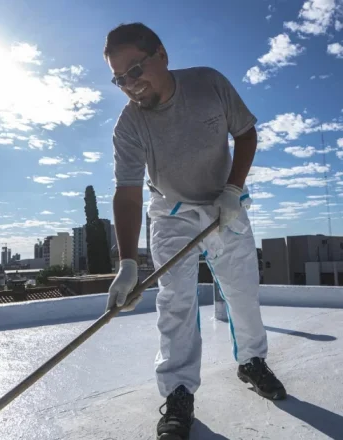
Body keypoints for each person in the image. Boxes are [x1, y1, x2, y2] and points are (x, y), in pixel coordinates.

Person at [103, 23, 286, 440]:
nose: (129, 85)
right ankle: (179, 391)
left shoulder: (209, 84)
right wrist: (127, 263)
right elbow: (128, 194)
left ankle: (252, 362)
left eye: (134, 70)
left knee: (242, 291)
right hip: (171, 212)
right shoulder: (128, 126)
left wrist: (233, 191)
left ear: (162, 55)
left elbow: (246, 133)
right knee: (176, 303)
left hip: (226, 202)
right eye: (119, 78)